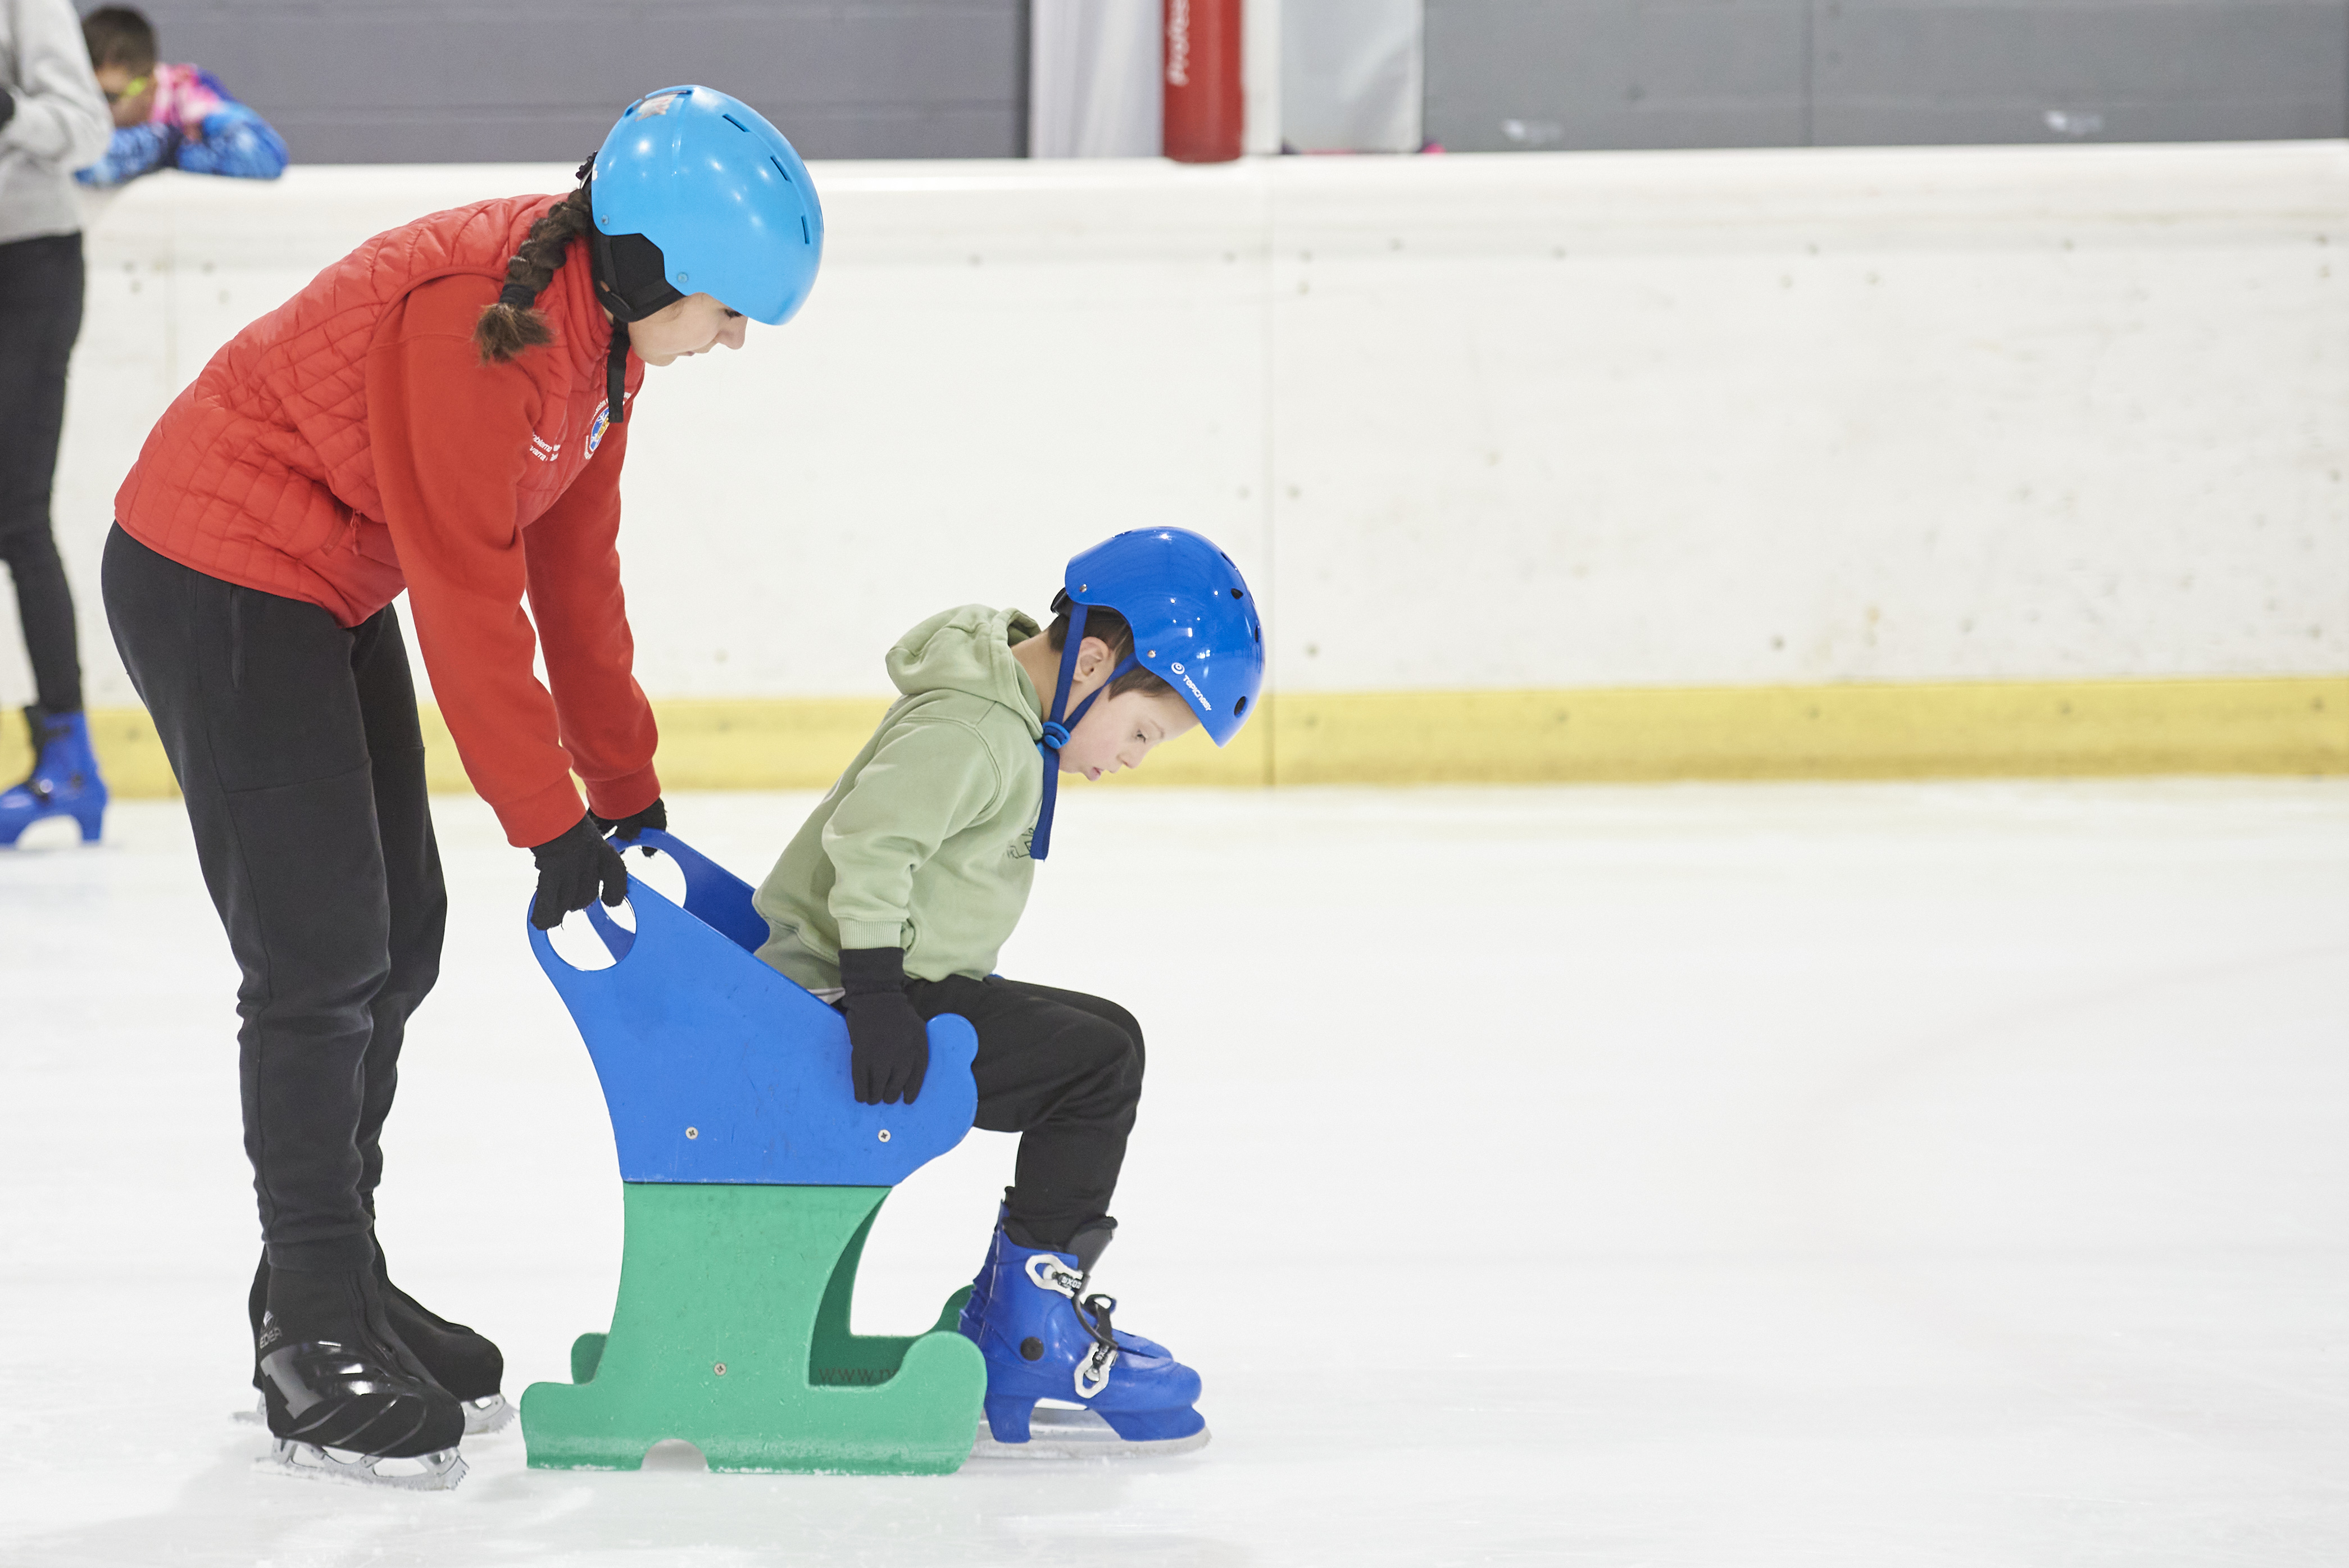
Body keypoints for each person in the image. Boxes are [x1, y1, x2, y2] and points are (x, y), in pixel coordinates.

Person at [100, 85, 823, 1490]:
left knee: (401, 936)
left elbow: (569, 570)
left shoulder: (604, 352)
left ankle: (334, 1276)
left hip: (324, 585)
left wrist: (622, 787)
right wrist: (545, 821)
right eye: (730, 311)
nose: (730, 342)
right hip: (219, 569)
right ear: (662, 263)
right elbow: (467, 592)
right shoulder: (472, 319)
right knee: (318, 954)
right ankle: (310, 1323)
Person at [751, 525, 1264, 1455]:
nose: (1134, 757)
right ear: (1095, 662)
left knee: (1108, 1035)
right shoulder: (972, 729)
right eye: (1143, 730)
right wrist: (870, 997)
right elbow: (872, 844)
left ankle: (1022, 1312)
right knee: (1095, 1063)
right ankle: (1028, 1333)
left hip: (887, 984)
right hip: (836, 1003)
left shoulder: (1006, 717)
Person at [0, 0, 112, 847]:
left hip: (25, 264)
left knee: (16, 515)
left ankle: (69, 759)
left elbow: (86, 128)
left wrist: (10, 111)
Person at [75, 5, 287, 188]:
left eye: (110, 97)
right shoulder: (77, 104)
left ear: (149, 86)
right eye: (88, 94)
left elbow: (266, 157)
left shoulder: (188, 94)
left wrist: (171, 146)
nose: (97, 107)